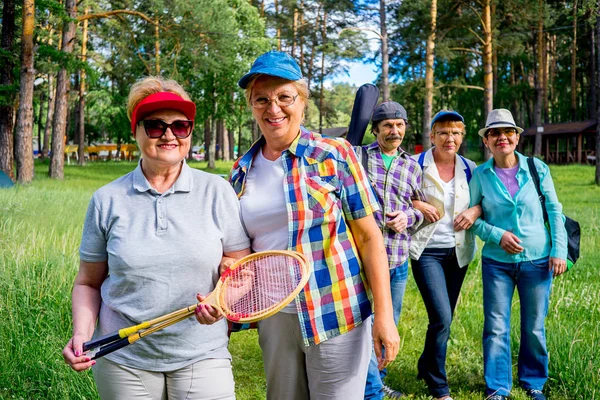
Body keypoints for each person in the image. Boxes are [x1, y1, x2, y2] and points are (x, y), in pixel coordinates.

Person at [62, 76, 251, 399]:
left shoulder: (216, 191)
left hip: (202, 352)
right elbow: (88, 283)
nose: (168, 135)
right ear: (135, 131)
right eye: (154, 126)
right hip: (124, 357)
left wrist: (223, 301)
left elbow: (242, 267)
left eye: (180, 126)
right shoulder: (107, 200)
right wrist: (82, 332)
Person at [230, 50, 400, 400]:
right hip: (275, 314)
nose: (273, 108)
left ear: (302, 102)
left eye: (284, 97)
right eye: (261, 99)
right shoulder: (240, 171)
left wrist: (384, 316)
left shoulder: (334, 155)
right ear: (251, 106)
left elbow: (370, 238)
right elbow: (240, 248)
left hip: (335, 309)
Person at [469, 108, 567, 400]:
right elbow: (471, 218)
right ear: (487, 140)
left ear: (516, 137)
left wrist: (558, 250)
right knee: (496, 326)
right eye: (495, 133)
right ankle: (498, 387)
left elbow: (554, 210)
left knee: (534, 326)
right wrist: (497, 235)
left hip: (538, 260)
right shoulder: (480, 175)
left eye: (508, 132)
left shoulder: (536, 168)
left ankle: (533, 381)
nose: (502, 138)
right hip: (496, 264)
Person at [352, 101, 426, 400]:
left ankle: (377, 378)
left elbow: (421, 208)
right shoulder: (358, 156)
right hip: (362, 258)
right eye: (387, 126)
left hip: (397, 259)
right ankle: (371, 390)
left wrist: (409, 216)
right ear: (376, 130)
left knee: (387, 322)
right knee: (365, 322)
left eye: (399, 125)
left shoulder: (412, 165)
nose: (394, 131)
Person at [409, 110, 480, 400]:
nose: (449, 138)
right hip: (426, 251)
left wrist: (475, 211)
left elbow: (484, 201)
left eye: (455, 133)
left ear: (462, 137)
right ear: (432, 136)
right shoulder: (414, 164)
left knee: (444, 317)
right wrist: (417, 202)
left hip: (459, 252)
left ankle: (426, 365)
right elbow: (394, 194)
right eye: (443, 132)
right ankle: (438, 385)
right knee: (441, 316)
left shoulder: (471, 167)